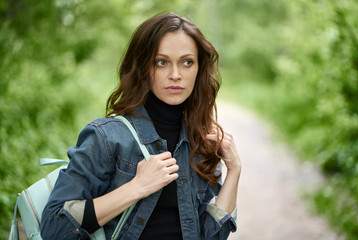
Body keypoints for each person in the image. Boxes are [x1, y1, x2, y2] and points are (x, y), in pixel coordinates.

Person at [40, 12, 241, 240]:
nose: (175, 75)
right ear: (142, 67)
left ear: (199, 68)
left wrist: (234, 171)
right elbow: (54, 227)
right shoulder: (107, 138)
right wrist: (137, 187)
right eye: (161, 62)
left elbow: (213, 236)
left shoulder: (201, 141)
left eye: (187, 62)